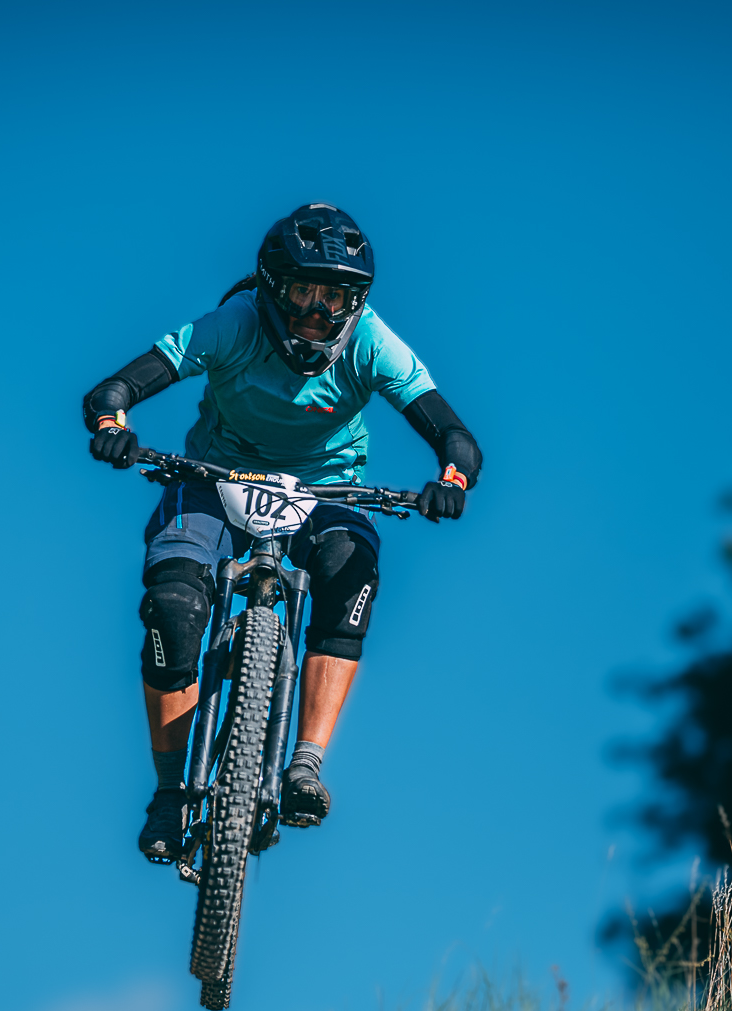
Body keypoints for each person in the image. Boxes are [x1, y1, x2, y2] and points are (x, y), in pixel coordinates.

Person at [80, 203, 485, 863]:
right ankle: (170, 792)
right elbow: (114, 389)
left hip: (325, 490)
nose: (318, 314)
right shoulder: (233, 325)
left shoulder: (372, 343)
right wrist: (113, 427)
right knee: (173, 606)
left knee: (351, 571)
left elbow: (456, 438)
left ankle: (305, 763)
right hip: (213, 477)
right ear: (272, 287)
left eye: (335, 299)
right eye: (303, 293)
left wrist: (452, 480)